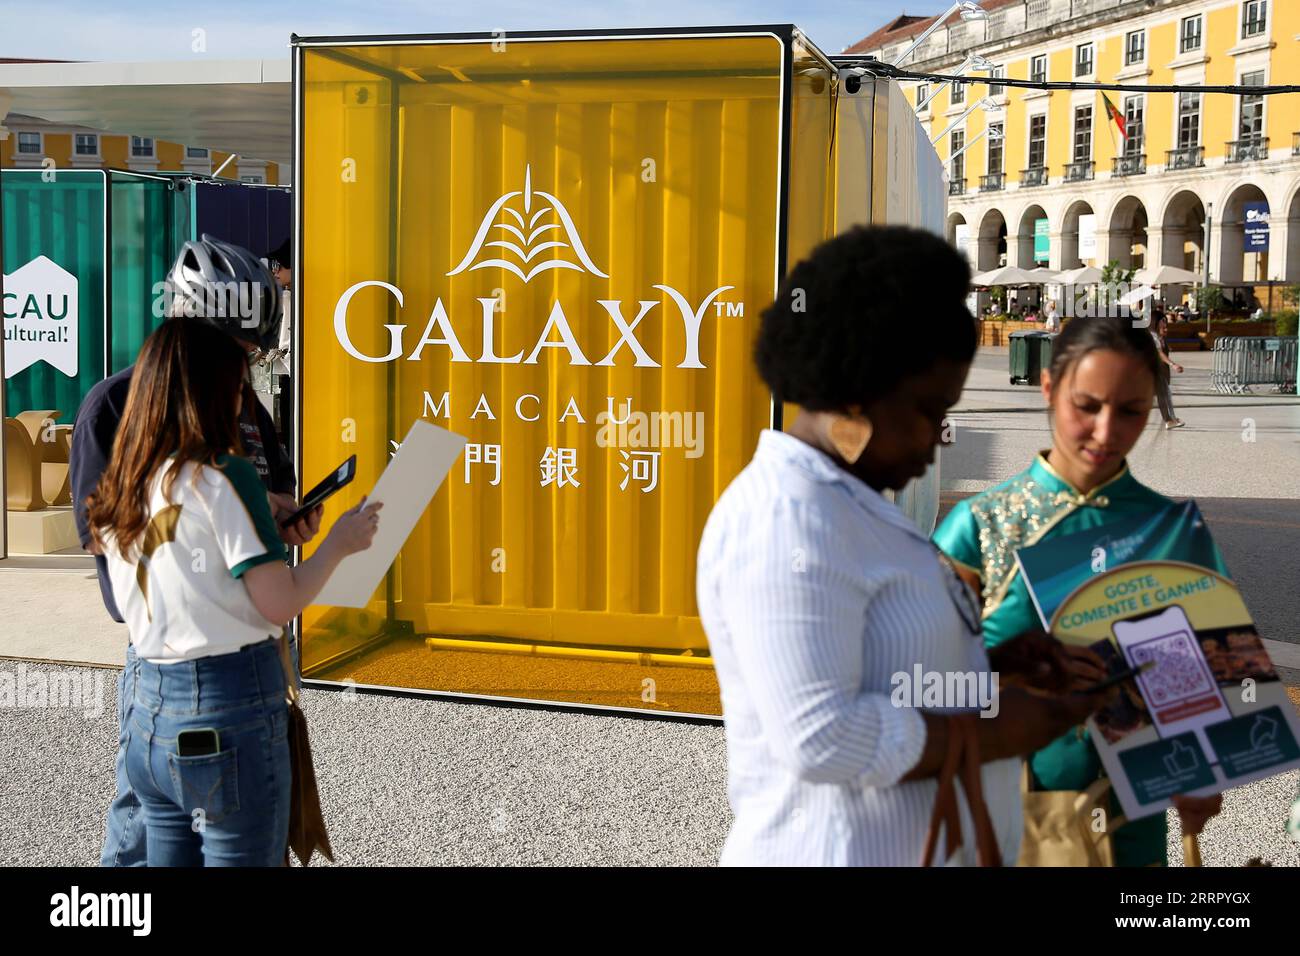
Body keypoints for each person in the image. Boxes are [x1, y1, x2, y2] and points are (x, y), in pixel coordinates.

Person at [696, 225, 1110, 866]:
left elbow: (880, 680)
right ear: (858, 392)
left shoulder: (853, 504)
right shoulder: (787, 518)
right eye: (927, 411)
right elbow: (819, 736)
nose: (936, 440)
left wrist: (994, 669)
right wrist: (1004, 730)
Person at [85, 319, 381, 866]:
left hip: (149, 716)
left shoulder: (123, 486)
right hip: (227, 712)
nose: (244, 399)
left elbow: (173, 581)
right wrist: (338, 544)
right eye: (240, 385)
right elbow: (280, 602)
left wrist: (259, 520)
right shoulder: (227, 478)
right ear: (213, 390)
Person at [933, 315, 1224, 866]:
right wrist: (1011, 672)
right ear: (1048, 387)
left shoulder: (1173, 531)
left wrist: (1204, 766)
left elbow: (1207, 678)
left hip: (1132, 825)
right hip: (1003, 816)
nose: (1107, 432)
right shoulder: (979, 527)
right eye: (1087, 406)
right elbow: (910, 682)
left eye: (1132, 411)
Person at [70, 235, 320, 867]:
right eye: (237, 353)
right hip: (186, 659)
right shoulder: (110, 409)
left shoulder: (244, 410)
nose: (246, 371)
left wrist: (265, 517)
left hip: (223, 663)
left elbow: (250, 503)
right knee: (137, 843)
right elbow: (118, 562)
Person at [1151, 312, 1185, 429]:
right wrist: (1173, 364)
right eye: (1163, 320)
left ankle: (1171, 419)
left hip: (1159, 369)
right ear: (1155, 321)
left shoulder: (1159, 336)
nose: (1165, 323)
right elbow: (1159, 353)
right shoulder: (1152, 336)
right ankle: (1169, 420)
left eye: (1165, 321)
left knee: (1164, 394)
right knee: (1163, 395)